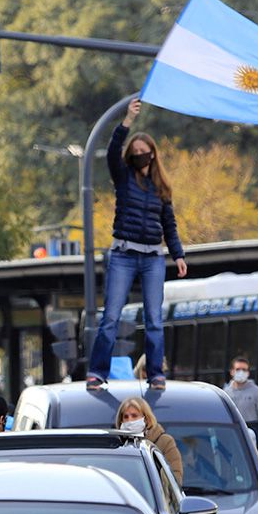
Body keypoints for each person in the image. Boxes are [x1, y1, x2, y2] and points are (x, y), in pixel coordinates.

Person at [88, 98, 187, 391]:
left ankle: (156, 373)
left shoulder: (161, 188)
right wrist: (127, 120)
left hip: (154, 258)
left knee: (155, 319)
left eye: (145, 152)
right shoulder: (124, 178)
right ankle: (97, 372)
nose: (141, 155)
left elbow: (169, 225)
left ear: (154, 155)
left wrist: (178, 255)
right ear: (131, 156)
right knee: (111, 317)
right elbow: (112, 153)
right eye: (136, 152)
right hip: (123, 254)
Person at [115, 397, 183, 483]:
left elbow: (175, 479)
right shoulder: (117, 445)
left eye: (134, 416)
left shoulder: (165, 442)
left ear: (146, 418)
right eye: (126, 417)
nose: (130, 420)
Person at [224, 355, 258, 425]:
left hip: (251, 433)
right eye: (238, 369)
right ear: (232, 372)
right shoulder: (225, 393)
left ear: (248, 373)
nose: (241, 372)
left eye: (244, 370)